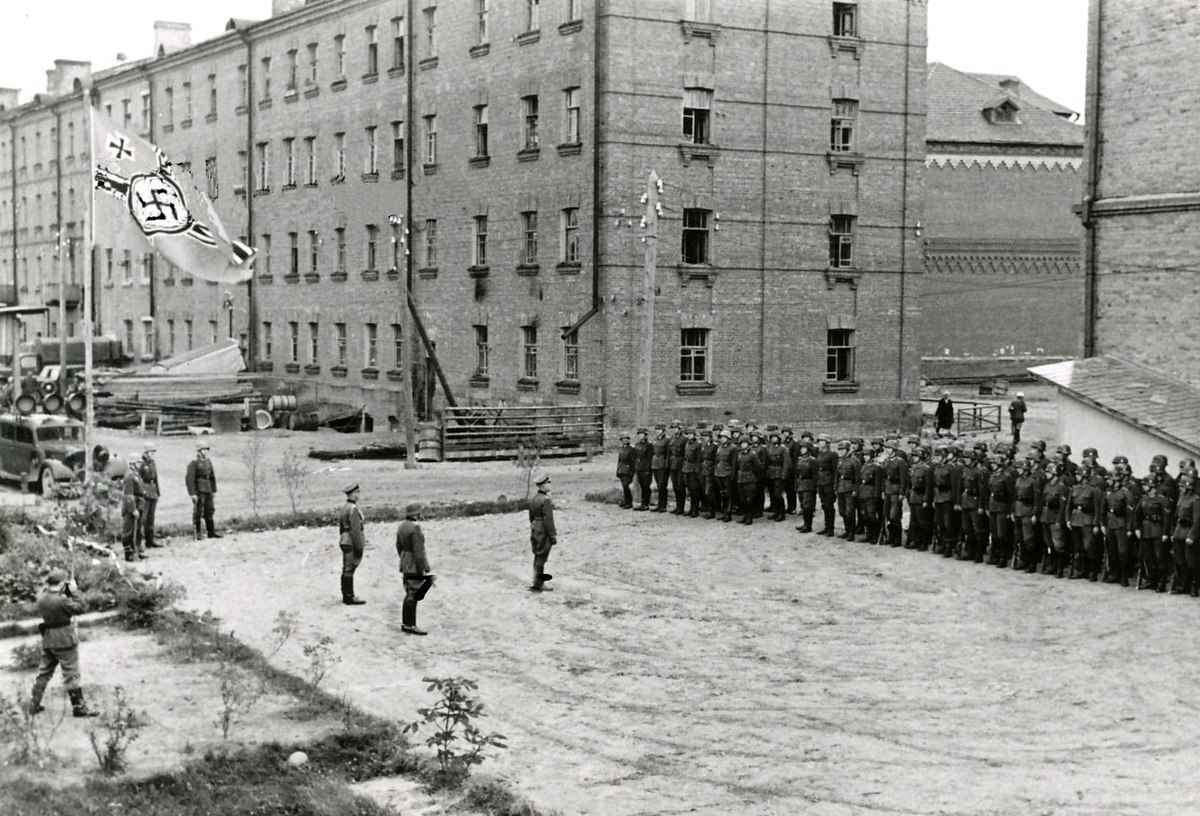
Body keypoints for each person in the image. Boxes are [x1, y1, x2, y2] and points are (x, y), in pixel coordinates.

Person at [30, 569, 96, 717]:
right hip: (64, 639)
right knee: (71, 674)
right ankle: (79, 707)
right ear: (61, 584)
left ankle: (34, 703)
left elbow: (53, 600)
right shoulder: (61, 600)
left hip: (48, 639)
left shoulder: (42, 598)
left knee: (43, 673)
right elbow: (81, 608)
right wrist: (75, 591)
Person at [396, 501, 434, 634]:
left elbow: (398, 546)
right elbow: (419, 552)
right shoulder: (415, 528)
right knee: (414, 593)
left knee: (409, 592)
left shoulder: (402, 526)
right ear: (416, 514)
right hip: (413, 563)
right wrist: (423, 568)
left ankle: (406, 623)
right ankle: (410, 625)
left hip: (405, 561)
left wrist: (404, 558)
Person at [185, 442, 222, 540]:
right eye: (203, 449)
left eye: (206, 449)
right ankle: (198, 532)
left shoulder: (208, 462)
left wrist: (214, 490)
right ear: (199, 451)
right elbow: (189, 479)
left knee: (210, 510)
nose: (205, 451)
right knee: (198, 511)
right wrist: (192, 493)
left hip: (208, 488)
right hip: (199, 489)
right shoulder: (194, 463)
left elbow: (212, 477)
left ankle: (211, 531)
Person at [338, 483, 367, 604]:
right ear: (353, 494)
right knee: (349, 569)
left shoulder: (345, 507)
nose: (358, 494)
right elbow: (356, 530)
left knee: (346, 567)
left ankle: (346, 595)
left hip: (344, 539)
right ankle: (349, 597)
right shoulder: (353, 509)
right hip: (351, 541)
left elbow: (341, 527)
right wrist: (360, 546)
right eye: (357, 492)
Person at [529, 471, 557, 592]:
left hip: (535, 528)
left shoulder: (533, 499)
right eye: (548, 482)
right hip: (544, 530)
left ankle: (536, 582)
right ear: (543, 485)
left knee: (537, 556)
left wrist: (535, 526)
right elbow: (548, 520)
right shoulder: (546, 500)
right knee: (542, 557)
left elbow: (531, 517)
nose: (550, 485)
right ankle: (538, 584)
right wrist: (553, 536)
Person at [121, 453, 146, 562]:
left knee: (138, 529)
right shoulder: (130, 476)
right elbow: (128, 495)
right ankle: (128, 553)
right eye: (138, 462)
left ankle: (137, 550)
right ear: (132, 464)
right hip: (131, 506)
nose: (140, 464)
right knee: (129, 530)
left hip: (139, 503)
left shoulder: (136, 475)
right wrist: (133, 509)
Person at [139, 445, 161, 548]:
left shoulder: (153, 463)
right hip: (145, 491)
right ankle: (138, 541)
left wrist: (157, 493)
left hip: (153, 491)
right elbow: (139, 479)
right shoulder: (142, 464)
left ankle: (150, 540)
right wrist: (141, 492)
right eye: (150, 452)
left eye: (153, 452)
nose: (152, 454)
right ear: (146, 453)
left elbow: (156, 479)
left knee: (151, 518)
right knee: (143, 518)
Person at [633, 428, 653, 511]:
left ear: (645, 435)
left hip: (645, 468)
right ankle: (642, 503)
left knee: (646, 486)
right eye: (639, 434)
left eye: (642, 434)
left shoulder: (649, 445)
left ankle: (646, 504)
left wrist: (648, 469)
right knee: (641, 485)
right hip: (639, 467)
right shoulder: (638, 444)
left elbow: (649, 458)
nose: (640, 436)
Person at [615, 432, 635, 509]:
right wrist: (618, 470)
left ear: (628, 439)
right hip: (622, 470)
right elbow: (619, 460)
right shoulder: (622, 448)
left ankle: (629, 503)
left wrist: (631, 472)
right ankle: (626, 501)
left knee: (626, 486)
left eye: (626, 439)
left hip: (628, 470)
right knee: (624, 486)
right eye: (623, 439)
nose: (624, 440)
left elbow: (632, 461)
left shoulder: (631, 449)